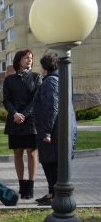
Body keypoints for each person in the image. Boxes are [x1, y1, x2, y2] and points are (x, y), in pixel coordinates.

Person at [32, 51, 77, 206]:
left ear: (46, 66)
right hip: (59, 130)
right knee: (52, 163)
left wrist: (45, 131)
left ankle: (55, 196)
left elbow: (51, 108)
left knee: (51, 163)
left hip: (54, 132)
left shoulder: (51, 81)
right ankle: (52, 193)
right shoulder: (61, 79)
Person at [3, 49, 42, 199]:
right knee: (17, 152)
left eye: (31, 58)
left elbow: (36, 100)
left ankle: (30, 186)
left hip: (30, 121)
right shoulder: (9, 79)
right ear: (19, 60)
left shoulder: (37, 77)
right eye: (26, 57)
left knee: (32, 152)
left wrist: (24, 114)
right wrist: (14, 114)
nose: (29, 60)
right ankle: (22, 185)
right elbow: (6, 100)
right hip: (14, 121)